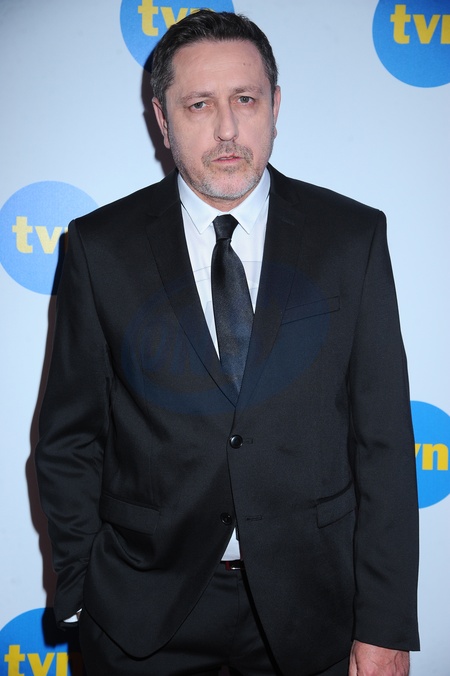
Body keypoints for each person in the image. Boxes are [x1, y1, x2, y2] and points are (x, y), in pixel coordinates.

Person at [35, 10, 419, 676]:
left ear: (275, 106)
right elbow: (69, 439)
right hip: (141, 617)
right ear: (162, 120)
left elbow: (383, 442)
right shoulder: (99, 249)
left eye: (245, 99)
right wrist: (82, 586)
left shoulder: (350, 238)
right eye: (198, 104)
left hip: (314, 614)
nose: (226, 129)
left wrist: (384, 624)